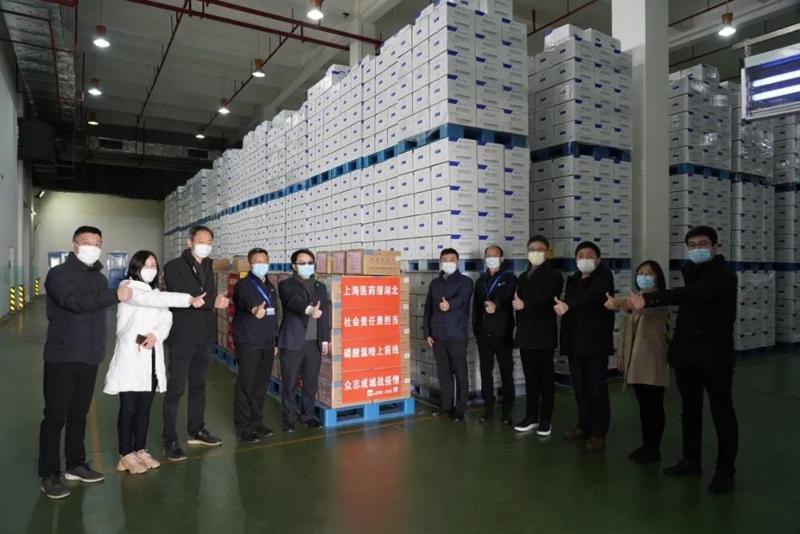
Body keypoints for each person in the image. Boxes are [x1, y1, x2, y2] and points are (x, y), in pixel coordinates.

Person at [628, 226, 738, 494]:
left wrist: (649, 298)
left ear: (715, 247)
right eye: (692, 245)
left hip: (715, 356)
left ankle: (725, 471)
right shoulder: (691, 272)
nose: (697, 249)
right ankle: (691, 460)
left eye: (703, 244)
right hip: (687, 355)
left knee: (722, 412)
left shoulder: (724, 275)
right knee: (689, 410)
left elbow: (694, 294)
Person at [39, 226, 134, 499]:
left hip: (90, 357)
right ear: (74, 245)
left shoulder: (100, 279)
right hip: (62, 357)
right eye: (87, 242)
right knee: (55, 416)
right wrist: (115, 295)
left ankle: (76, 464)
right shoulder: (58, 275)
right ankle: (49, 474)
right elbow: (73, 302)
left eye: (97, 242)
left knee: (79, 414)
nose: (93, 247)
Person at [103, 251, 206, 474]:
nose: (151, 269)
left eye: (153, 265)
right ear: (136, 267)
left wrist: (156, 335)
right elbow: (152, 300)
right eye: (146, 265)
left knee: (144, 408)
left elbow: (167, 319)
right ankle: (125, 455)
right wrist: (188, 299)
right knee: (129, 408)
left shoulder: (156, 292)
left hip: (151, 355)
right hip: (131, 356)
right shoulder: (128, 287)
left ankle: (139, 450)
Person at [162, 225, 229, 461]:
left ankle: (197, 429)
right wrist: (212, 302)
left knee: (199, 385)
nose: (206, 245)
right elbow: (182, 295)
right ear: (190, 242)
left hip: (204, 335)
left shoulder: (209, 266)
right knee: (176, 387)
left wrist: (211, 303)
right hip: (182, 336)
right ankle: (169, 439)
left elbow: (205, 297)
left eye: (209, 241)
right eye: (201, 241)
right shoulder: (174, 267)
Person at [605, 260, 670, 464]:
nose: (643, 276)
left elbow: (638, 306)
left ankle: (654, 448)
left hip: (653, 360)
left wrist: (619, 302)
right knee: (644, 405)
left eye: (648, 273)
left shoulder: (660, 299)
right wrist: (622, 356)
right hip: (637, 359)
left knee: (654, 406)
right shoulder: (639, 297)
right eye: (640, 273)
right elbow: (627, 323)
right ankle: (647, 445)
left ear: (657, 277)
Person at [554, 241, 615, 452]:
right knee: (580, 387)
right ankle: (583, 425)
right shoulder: (573, 279)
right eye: (580, 255)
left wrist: (568, 305)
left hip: (595, 343)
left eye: (589, 255)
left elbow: (590, 297)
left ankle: (599, 433)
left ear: (598, 259)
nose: (585, 259)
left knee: (597, 388)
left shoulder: (604, 277)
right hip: (575, 343)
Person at [512, 236, 563, 437]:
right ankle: (531, 416)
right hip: (526, 334)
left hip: (543, 334)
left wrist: (525, 305)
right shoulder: (523, 276)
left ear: (547, 252)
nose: (535, 252)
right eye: (532, 249)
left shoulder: (554, 275)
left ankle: (545, 420)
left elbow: (548, 299)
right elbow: (518, 304)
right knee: (530, 378)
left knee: (545, 379)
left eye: (540, 249)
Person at [277, 249, 331, 432]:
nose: (307, 266)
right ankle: (288, 418)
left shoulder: (320, 287)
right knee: (290, 382)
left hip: (313, 342)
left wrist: (324, 339)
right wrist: (309, 310)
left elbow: (324, 314)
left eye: (310, 262)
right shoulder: (286, 285)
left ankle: (308, 415)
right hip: (292, 341)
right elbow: (292, 302)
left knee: (310, 382)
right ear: (294, 266)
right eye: (302, 263)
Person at [232, 248, 279, 442]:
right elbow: (245, 301)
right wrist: (254, 310)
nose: (262, 264)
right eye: (257, 261)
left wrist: (275, 341)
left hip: (267, 342)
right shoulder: (243, 285)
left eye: (264, 260)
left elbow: (276, 314)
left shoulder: (270, 286)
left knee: (260, 385)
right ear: (250, 264)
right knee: (246, 385)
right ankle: (243, 427)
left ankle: (256, 421)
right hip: (249, 341)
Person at [423, 248, 473, 421]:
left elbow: (463, 299)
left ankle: (460, 409)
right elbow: (428, 309)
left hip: (456, 334)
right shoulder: (435, 284)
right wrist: (427, 332)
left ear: (457, 261)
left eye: (452, 259)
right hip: (438, 335)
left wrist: (449, 305)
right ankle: (446, 406)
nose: (448, 262)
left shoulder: (465, 282)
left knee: (460, 373)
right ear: (441, 262)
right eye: (445, 259)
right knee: (443, 373)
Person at [472, 245, 517, 423]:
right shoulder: (480, 281)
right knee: (486, 372)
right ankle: (488, 410)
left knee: (506, 372)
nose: (491, 258)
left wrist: (496, 305)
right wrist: (476, 329)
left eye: (495, 255)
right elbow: (476, 307)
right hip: (484, 334)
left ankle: (507, 412)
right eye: (488, 255)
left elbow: (507, 296)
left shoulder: (509, 278)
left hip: (503, 333)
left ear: (502, 258)